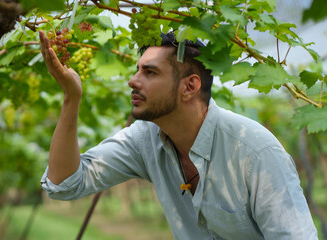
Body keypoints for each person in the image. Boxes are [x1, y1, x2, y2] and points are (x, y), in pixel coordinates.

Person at [39, 30, 318, 239]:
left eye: (150, 72)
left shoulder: (255, 152)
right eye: (137, 69)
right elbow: (65, 183)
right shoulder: (144, 139)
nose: (132, 81)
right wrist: (71, 99)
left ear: (190, 87)